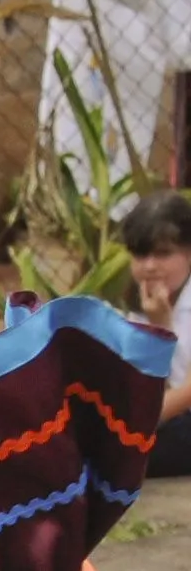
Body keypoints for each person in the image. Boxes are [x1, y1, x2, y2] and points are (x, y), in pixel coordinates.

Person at [118, 189, 191, 476]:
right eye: (140, 254)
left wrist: (133, 423)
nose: (149, 266)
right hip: (163, 414)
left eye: (163, 254)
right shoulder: (138, 303)